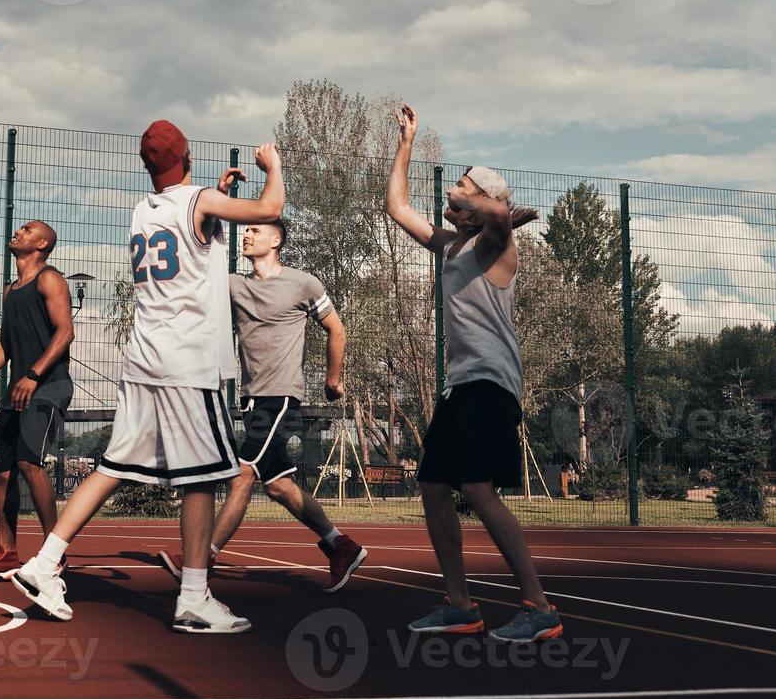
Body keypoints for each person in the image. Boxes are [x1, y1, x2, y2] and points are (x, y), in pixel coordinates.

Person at [10, 120, 285, 634]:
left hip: (143, 359)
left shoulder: (143, 211)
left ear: (147, 164)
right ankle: (194, 597)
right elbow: (270, 210)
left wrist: (218, 198)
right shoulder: (197, 201)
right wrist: (274, 168)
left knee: (113, 465)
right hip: (186, 361)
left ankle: (44, 562)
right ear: (186, 154)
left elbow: (191, 235)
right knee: (202, 478)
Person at [385, 103, 561, 643]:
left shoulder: (496, 245)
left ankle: (539, 607)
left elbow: (501, 218)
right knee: (434, 487)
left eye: (461, 188)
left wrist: (477, 198)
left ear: (482, 200)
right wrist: (408, 142)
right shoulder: (450, 244)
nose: (451, 196)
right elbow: (396, 206)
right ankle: (460, 605)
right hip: (460, 385)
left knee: (478, 489)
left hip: (492, 382)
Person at [156, 219, 367, 592]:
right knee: (279, 487)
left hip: (281, 397)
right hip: (252, 400)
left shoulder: (304, 283)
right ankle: (340, 546)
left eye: (256, 230)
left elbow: (337, 327)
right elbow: (198, 276)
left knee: (242, 472)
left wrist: (332, 379)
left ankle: (201, 558)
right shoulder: (235, 286)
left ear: (276, 239)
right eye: (246, 230)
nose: (248, 235)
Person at [0, 220, 74, 582]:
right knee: (4, 475)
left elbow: (66, 331)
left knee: (29, 462)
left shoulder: (49, 279)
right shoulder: (11, 291)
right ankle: (6, 551)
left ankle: (54, 555)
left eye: (27, 230)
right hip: (18, 391)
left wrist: (34, 374)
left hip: (48, 386)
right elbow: (6, 345)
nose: (18, 232)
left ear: (41, 244)